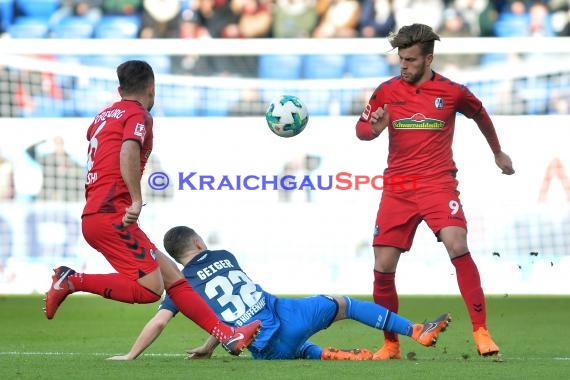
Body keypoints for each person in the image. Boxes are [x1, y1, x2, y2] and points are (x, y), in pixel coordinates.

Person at [43, 60, 260, 356]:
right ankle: (72, 280)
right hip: (113, 216)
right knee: (148, 290)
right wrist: (135, 198)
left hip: (100, 213)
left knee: (175, 279)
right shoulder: (138, 114)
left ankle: (229, 336)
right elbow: (128, 148)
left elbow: (103, 150)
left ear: (119, 89)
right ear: (152, 87)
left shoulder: (103, 116)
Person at [354, 23, 515, 359]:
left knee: (457, 243)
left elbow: (480, 115)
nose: (404, 65)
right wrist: (375, 127)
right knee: (382, 265)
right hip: (397, 187)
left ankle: (482, 332)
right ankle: (391, 344)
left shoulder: (453, 92)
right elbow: (361, 130)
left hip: (438, 183)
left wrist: (497, 152)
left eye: (411, 60)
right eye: (401, 59)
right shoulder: (385, 90)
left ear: (429, 59)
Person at [108, 226, 451, 361]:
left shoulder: (181, 287)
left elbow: (164, 321)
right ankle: (416, 332)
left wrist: (130, 356)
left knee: (295, 349)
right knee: (343, 304)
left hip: (263, 346)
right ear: (199, 243)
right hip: (282, 315)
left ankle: (352, 356)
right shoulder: (224, 256)